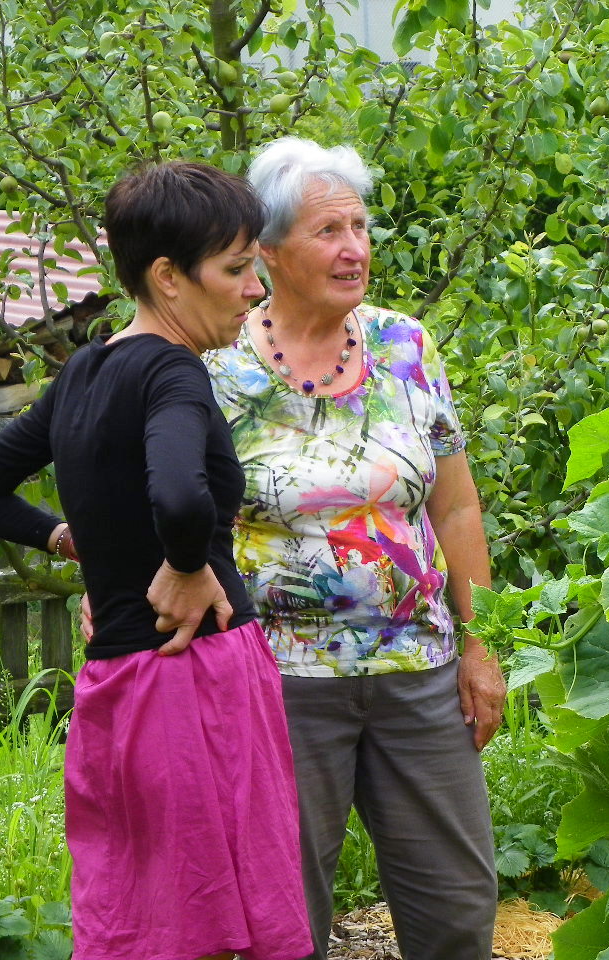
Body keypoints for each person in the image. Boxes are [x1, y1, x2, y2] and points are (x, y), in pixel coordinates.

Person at [0, 161, 311, 960]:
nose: (255, 289)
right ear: (168, 277)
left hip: (116, 687)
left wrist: (72, 539)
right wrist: (186, 565)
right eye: (236, 270)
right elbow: (179, 496)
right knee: (218, 923)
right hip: (196, 679)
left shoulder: (84, 371)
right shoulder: (174, 370)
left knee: (143, 920)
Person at [203, 136, 507, 960]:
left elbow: (457, 506)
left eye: (361, 227)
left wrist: (482, 644)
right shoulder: (217, 362)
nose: (354, 249)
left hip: (420, 670)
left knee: (456, 904)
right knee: (282, 913)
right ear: (268, 252)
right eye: (328, 231)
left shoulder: (406, 344)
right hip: (276, 681)